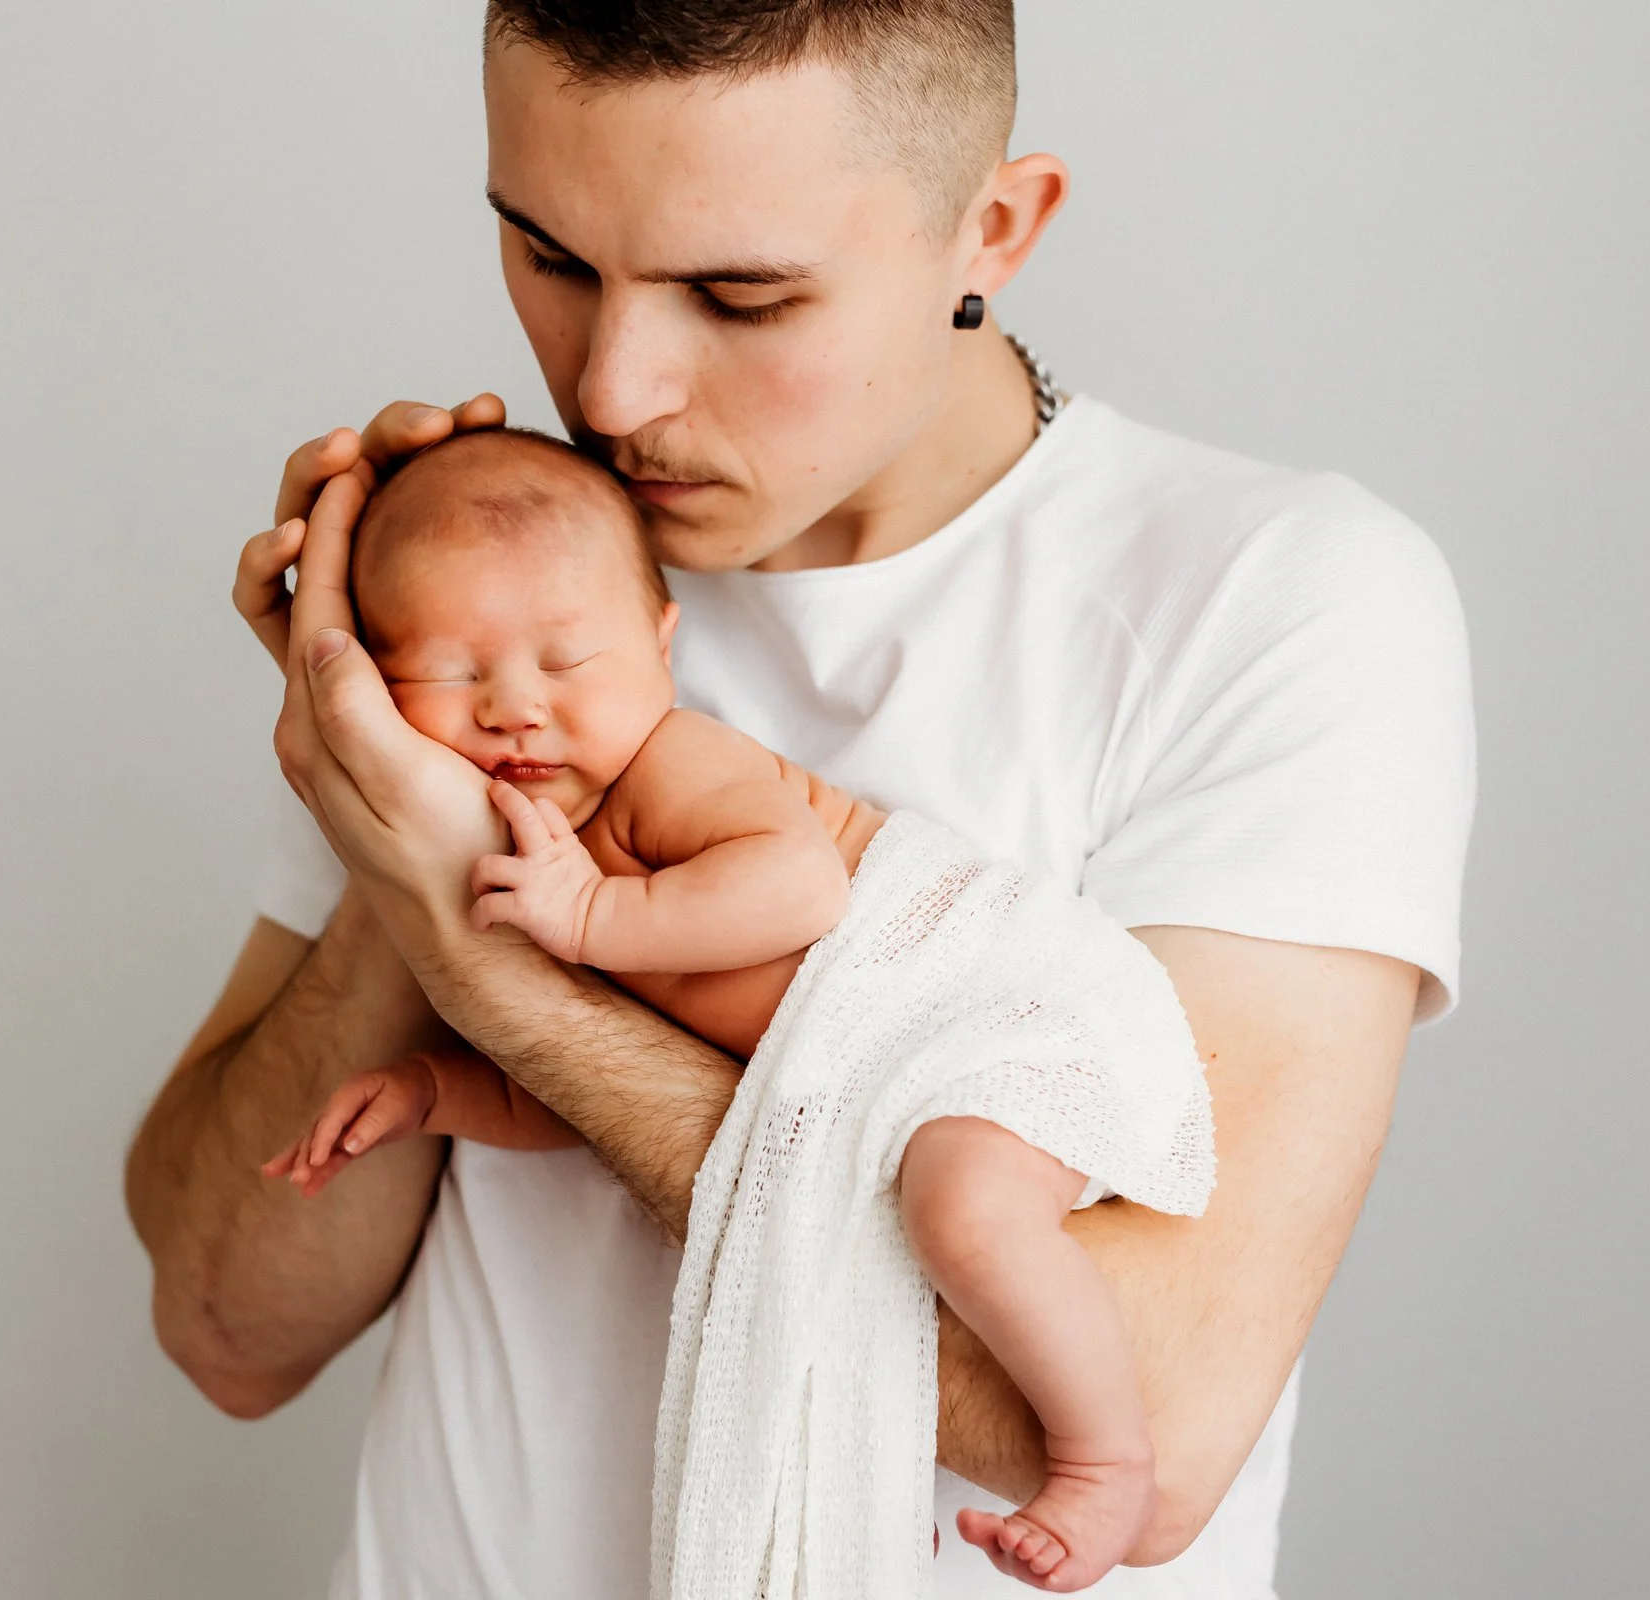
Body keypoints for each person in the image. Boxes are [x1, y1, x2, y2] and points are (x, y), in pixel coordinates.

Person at [123, 3, 1475, 1595]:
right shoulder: (500, 600)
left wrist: (490, 958)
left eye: (738, 294)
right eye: (551, 258)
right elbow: (227, 1329)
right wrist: (386, 781)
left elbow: (1146, 1439)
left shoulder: (1269, 600)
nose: (612, 392)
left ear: (996, 228)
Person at [263, 425, 1214, 1590]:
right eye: (451, 675)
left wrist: (590, 922)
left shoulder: (670, 767)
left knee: (961, 1212)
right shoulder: (535, 863)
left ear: (663, 645)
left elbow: (799, 887)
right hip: (905, 1062)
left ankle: (1105, 1460)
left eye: (566, 661)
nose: (516, 709)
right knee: (925, 1218)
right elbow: (581, 1086)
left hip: (998, 1002)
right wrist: (435, 1090)